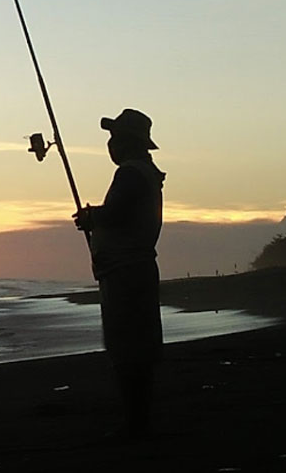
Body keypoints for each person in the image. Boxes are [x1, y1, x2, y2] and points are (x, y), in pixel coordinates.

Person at [73, 108, 165, 440]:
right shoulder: (146, 172)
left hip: (126, 273)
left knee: (127, 350)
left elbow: (116, 213)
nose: (109, 145)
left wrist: (91, 218)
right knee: (137, 348)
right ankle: (138, 420)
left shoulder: (130, 173)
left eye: (113, 138)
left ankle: (136, 425)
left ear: (126, 142)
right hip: (134, 269)